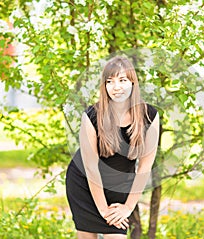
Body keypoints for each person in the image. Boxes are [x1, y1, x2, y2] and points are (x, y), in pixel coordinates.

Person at [65, 56, 160, 239]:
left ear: (133, 83)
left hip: (118, 185)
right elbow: (91, 168)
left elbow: (145, 167)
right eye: (110, 81)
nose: (116, 87)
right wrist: (102, 209)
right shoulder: (92, 115)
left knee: (116, 236)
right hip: (85, 182)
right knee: (87, 236)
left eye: (122, 80)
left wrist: (128, 207)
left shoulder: (149, 115)